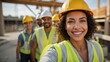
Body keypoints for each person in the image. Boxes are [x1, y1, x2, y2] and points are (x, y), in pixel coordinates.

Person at [39, 0, 104, 62]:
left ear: (88, 23)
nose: (77, 27)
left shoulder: (97, 47)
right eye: (71, 21)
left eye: (82, 20)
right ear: (64, 25)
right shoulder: (57, 51)